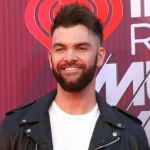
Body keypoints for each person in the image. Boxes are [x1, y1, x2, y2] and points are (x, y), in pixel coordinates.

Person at [0, 2, 149, 150]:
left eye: (81, 48)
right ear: (51, 58)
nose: (69, 57)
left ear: (100, 56)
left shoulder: (132, 135)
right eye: (61, 49)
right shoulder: (14, 128)